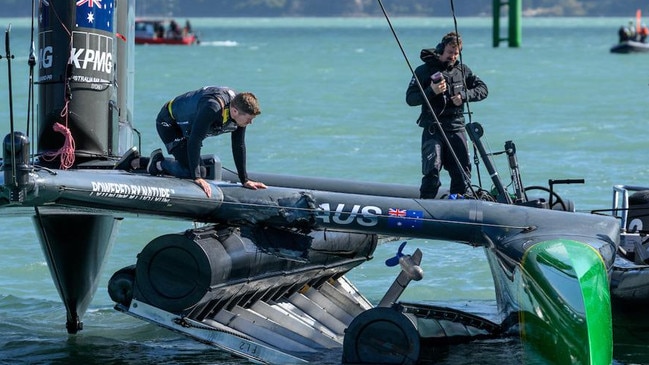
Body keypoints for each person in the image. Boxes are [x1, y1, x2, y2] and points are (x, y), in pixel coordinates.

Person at [116, 86, 267, 198]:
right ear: (235, 111)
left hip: (187, 130)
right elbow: (194, 141)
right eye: (249, 119)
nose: (250, 123)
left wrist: (245, 180)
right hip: (169, 124)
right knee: (194, 172)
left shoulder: (238, 111)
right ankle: (158, 163)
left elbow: (238, 145)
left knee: (205, 167)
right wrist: (197, 178)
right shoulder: (212, 108)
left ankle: (136, 161)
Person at [405, 32, 488, 199]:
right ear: (441, 49)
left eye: (456, 53)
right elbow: (410, 99)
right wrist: (431, 91)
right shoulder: (423, 71)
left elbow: (483, 89)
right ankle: (426, 206)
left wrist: (464, 96)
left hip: (456, 127)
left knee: (462, 173)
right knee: (432, 172)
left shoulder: (463, 70)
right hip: (433, 129)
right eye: (450, 52)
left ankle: (458, 206)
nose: (453, 56)